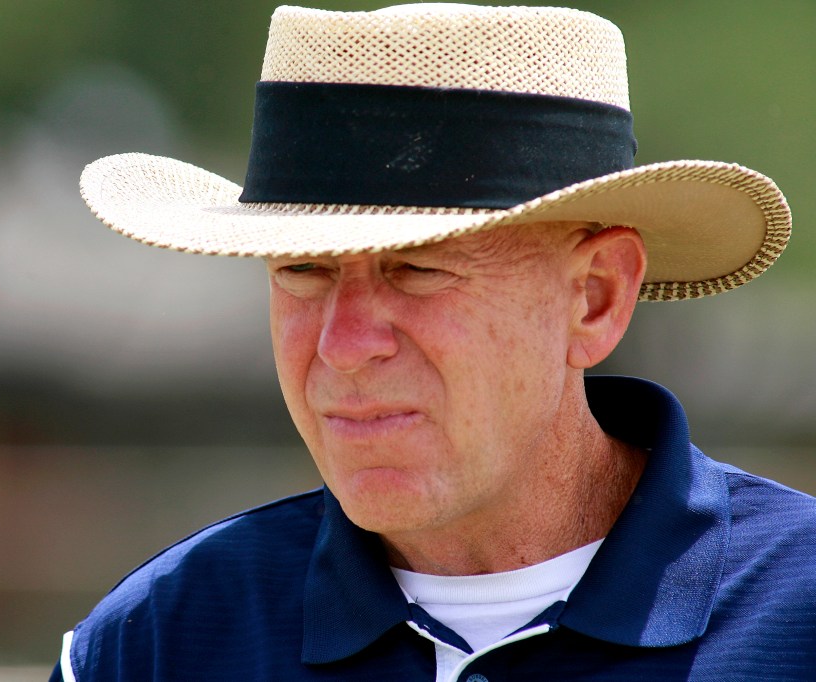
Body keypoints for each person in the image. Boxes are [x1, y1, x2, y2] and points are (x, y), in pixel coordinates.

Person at [51, 4, 813, 681]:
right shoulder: (152, 644)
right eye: (304, 270)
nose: (344, 346)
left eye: (417, 269)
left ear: (595, 296)